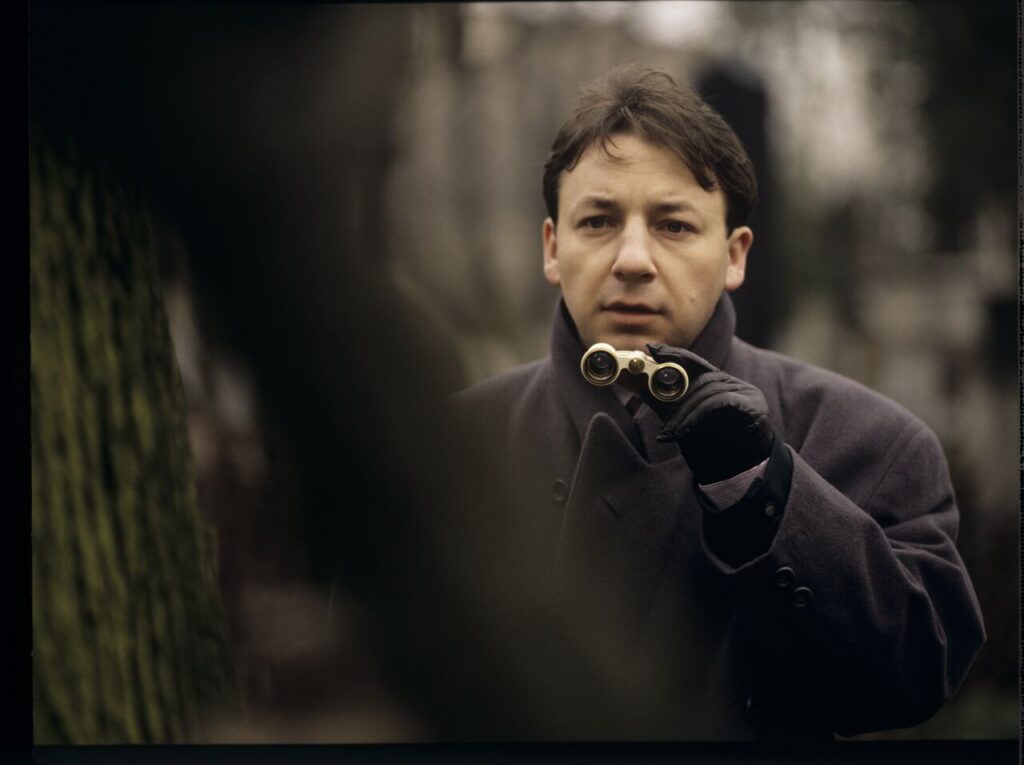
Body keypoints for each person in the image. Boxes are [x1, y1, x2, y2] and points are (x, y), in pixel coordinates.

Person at [452, 64, 985, 740]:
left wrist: (768, 493)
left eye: (673, 225)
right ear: (553, 248)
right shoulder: (453, 441)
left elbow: (918, 673)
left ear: (735, 256)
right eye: (599, 221)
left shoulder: (874, 442)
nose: (633, 260)